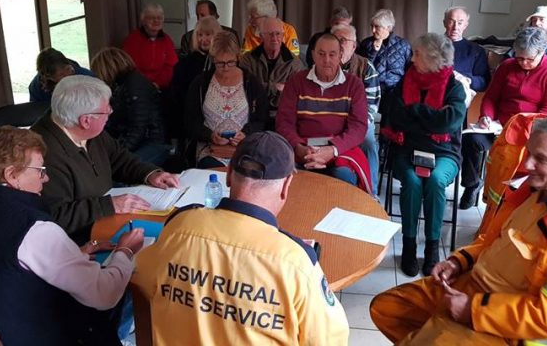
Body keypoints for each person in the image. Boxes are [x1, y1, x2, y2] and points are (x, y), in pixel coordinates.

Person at [370, 116, 547, 345]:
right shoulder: (536, 189)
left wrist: (474, 311)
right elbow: (494, 240)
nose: (527, 163)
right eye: (529, 153)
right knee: (387, 309)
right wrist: (460, 261)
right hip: (473, 287)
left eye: (542, 159)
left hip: (510, 328)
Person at [0, 127, 144, 346]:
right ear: (12, 175)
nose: (45, 179)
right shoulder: (34, 229)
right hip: (25, 336)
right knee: (124, 289)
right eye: (39, 170)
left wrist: (74, 254)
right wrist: (125, 250)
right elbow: (104, 295)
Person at [134, 131, 349, 345]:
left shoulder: (179, 226)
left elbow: (141, 278)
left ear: (228, 175)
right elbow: (330, 339)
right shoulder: (296, 261)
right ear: (286, 186)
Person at [31, 75, 180, 244]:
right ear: (86, 120)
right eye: (106, 109)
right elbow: (56, 217)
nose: (111, 111)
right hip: (80, 242)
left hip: (105, 218)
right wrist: (109, 205)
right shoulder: (41, 155)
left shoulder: (89, 131)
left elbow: (118, 157)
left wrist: (150, 174)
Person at [380, 33, 467, 276]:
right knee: (412, 180)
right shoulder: (405, 80)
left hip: (444, 152)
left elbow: (448, 123)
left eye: (417, 53)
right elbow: (395, 116)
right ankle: (409, 246)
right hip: (406, 148)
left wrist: (415, 111)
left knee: (437, 180)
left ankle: (432, 249)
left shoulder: (454, 87)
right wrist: (429, 119)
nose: (412, 57)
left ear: (432, 59)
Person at [459, 27, 547, 209]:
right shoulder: (507, 66)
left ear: (542, 52)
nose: (523, 63)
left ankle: (510, 198)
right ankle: (472, 184)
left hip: (529, 132)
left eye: (529, 59)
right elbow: (491, 97)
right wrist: (486, 116)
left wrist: (519, 127)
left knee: (517, 156)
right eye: (519, 58)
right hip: (498, 125)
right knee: (472, 139)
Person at [276, 34, 370, 189]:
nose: (326, 60)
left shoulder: (354, 85)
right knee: (283, 176)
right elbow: (284, 122)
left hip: (339, 151)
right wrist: (298, 147)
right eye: (321, 54)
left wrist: (332, 150)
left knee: (344, 177)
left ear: (340, 56)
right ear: (313, 55)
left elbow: (358, 127)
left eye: (332, 54)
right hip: (302, 149)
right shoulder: (296, 81)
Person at [185, 32, 268, 168]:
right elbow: (190, 122)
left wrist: (246, 133)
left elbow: (261, 119)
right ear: (213, 59)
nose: (225, 68)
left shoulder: (251, 82)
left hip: (245, 150)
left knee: (247, 174)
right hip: (210, 151)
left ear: (238, 57)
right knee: (211, 171)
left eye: (230, 62)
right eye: (220, 63)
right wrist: (210, 135)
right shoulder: (201, 83)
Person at [90, 47, 171, 166]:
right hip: (142, 141)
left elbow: (138, 128)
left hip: (153, 142)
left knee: (122, 170)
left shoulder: (134, 85)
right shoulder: (124, 85)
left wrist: (118, 153)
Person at [333, 23, 381, 197]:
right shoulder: (325, 66)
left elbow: (371, 106)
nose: (337, 44)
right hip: (330, 122)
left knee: (368, 141)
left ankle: (371, 194)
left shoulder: (366, 68)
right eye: (335, 39)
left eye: (343, 40)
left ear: (353, 46)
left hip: (359, 122)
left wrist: (351, 126)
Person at [238, 17, 305, 126]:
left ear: (283, 36)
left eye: (278, 34)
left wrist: (262, 88)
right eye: (269, 34)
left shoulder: (295, 63)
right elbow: (245, 89)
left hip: (283, 118)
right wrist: (276, 88)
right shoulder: (247, 60)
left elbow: (295, 96)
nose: (274, 38)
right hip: (252, 117)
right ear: (261, 36)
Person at [171, 16, 223, 139]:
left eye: (208, 34)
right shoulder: (184, 65)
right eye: (200, 35)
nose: (203, 39)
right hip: (193, 120)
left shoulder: (224, 62)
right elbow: (178, 97)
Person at [356, 9, 412, 97]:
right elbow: (361, 69)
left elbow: (410, 71)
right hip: (372, 91)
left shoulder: (404, 45)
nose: (373, 30)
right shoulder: (366, 44)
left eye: (377, 26)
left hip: (396, 93)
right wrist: (373, 51)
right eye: (372, 26)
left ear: (389, 27)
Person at [122, 3, 179, 89]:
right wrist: (144, 84)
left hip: (162, 87)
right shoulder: (132, 40)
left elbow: (171, 66)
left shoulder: (167, 40)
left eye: (159, 18)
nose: (156, 21)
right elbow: (128, 66)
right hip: (137, 87)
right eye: (151, 18)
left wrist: (157, 83)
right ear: (143, 20)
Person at [443, 6, 491, 93]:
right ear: (444, 23)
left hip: (461, 96)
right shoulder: (431, 45)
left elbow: (484, 82)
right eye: (451, 22)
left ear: (465, 25)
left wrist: (468, 79)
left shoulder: (476, 50)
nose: (455, 27)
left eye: (460, 23)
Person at [28, 47, 93, 103]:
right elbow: (36, 113)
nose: (67, 75)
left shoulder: (88, 78)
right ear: (49, 77)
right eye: (61, 75)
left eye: (68, 69)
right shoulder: (36, 88)